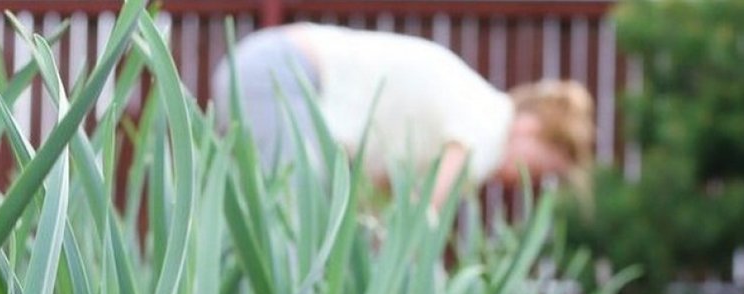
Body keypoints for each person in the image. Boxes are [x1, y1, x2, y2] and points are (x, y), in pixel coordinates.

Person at [211, 23, 595, 208]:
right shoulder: (490, 128)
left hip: (267, 64)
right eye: (542, 169)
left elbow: (379, 201)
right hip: (284, 79)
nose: (528, 183)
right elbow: (416, 217)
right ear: (531, 129)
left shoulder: (473, 105)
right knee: (292, 234)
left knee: (284, 228)